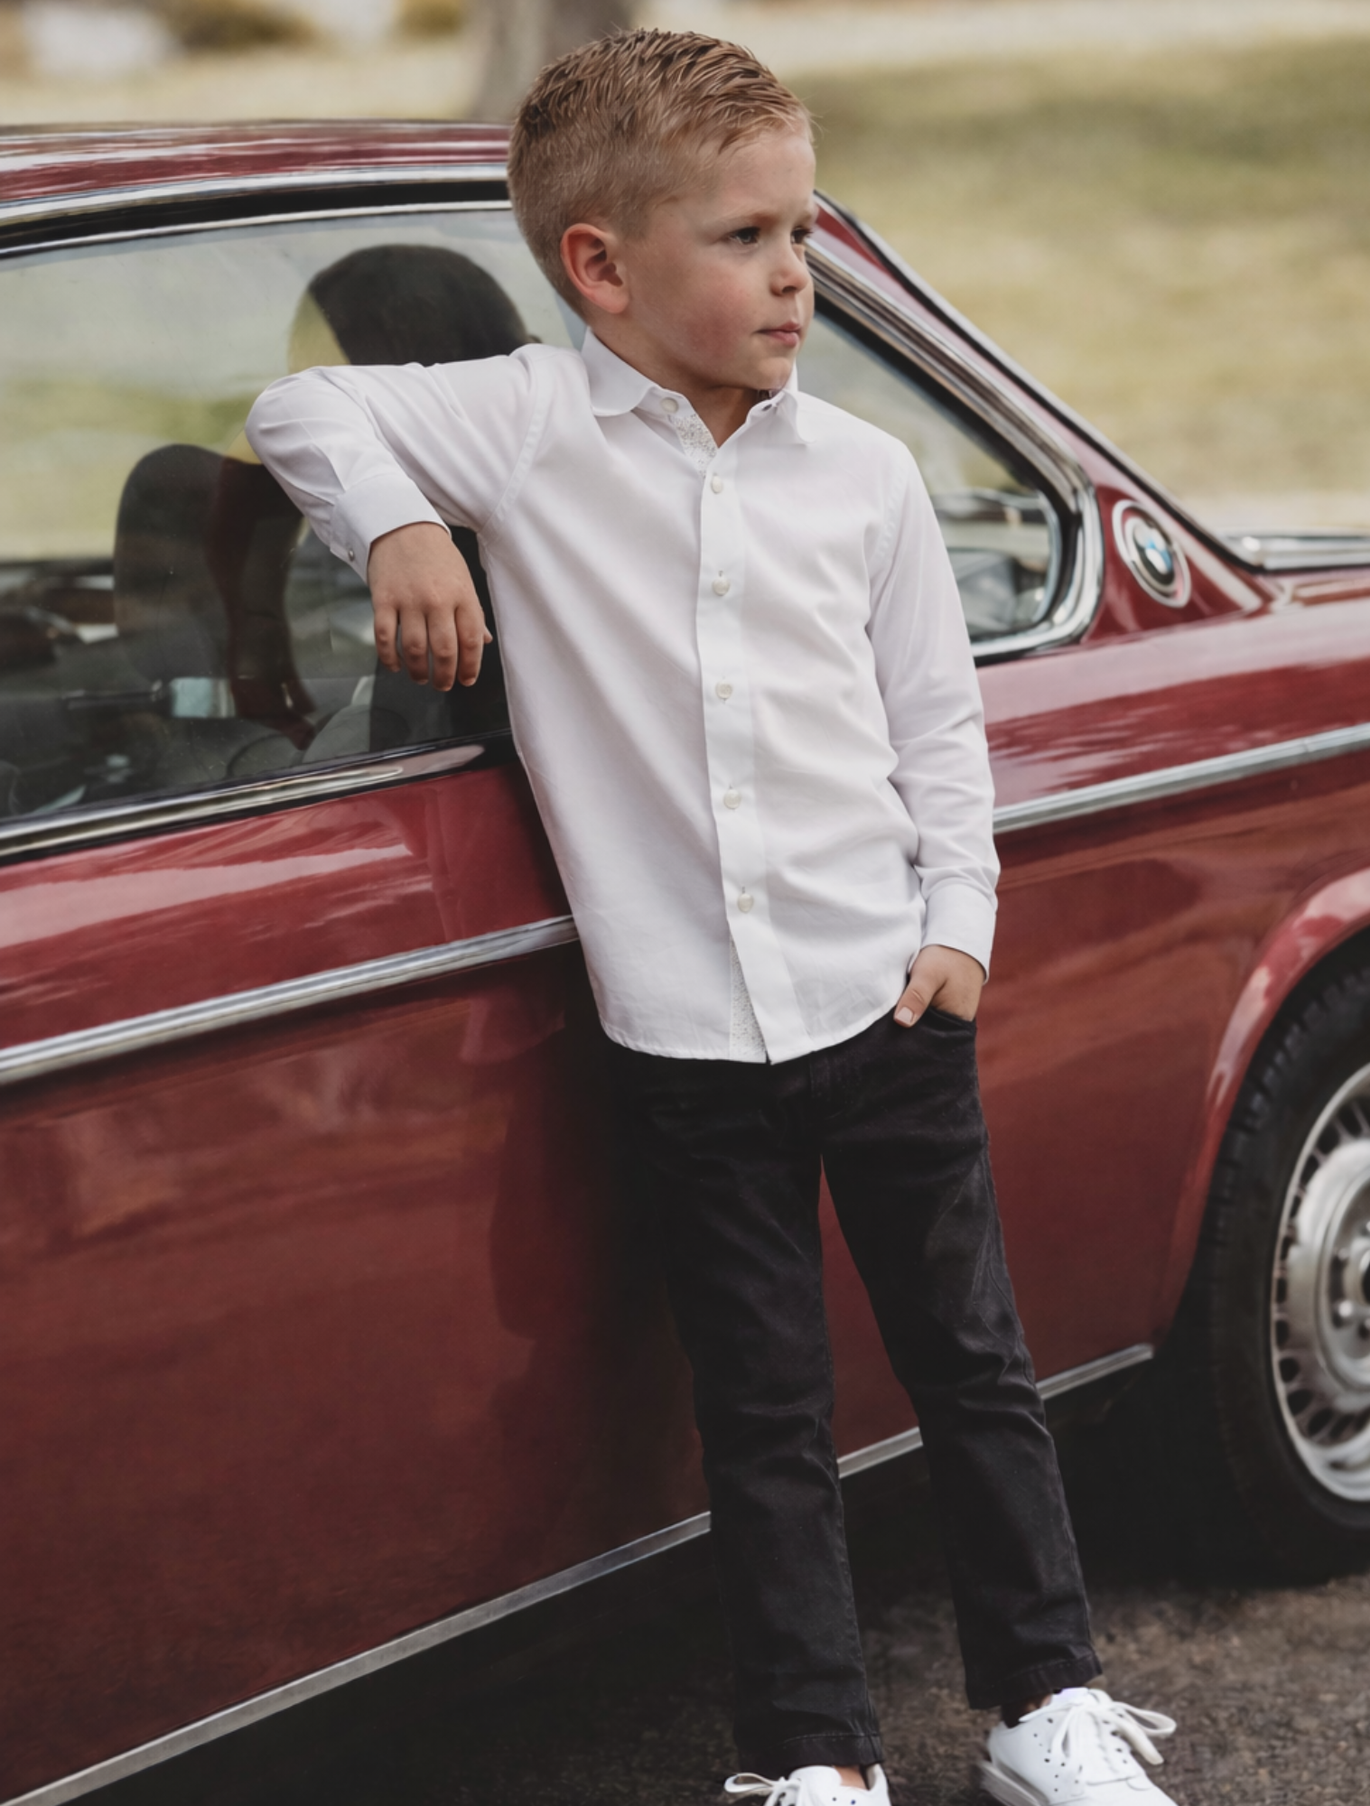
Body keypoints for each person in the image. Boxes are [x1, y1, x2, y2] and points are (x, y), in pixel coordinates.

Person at [247, 28, 1182, 1806]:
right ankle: (810, 1756)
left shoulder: (868, 482)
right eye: (745, 238)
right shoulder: (521, 432)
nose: (795, 274)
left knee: (975, 1368)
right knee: (763, 1420)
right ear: (600, 265)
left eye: (802, 231)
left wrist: (961, 927)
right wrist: (399, 533)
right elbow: (306, 409)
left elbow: (937, 734)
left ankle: (1045, 1701)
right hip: (685, 1042)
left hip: (889, 1001)